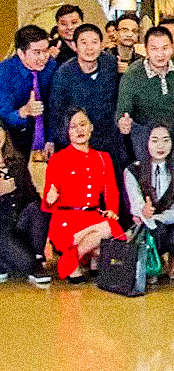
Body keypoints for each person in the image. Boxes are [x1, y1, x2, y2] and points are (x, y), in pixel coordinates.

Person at [42, 109, 122, 281]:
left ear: (91, 127)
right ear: (67, 132)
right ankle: (84, 256)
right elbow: (47, 203)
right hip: (66, 218)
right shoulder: (58, 159)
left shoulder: (103, 158)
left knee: (111, 226)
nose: (79, 130)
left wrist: (112, 210)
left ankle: (71, 258)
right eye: (73, 127)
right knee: (101, 236)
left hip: (92, 216)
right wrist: (50, 199)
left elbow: (111, 190)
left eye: (83, 124)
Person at [116, 26, 174, 166]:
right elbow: (123, 108)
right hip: (146, 135)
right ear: (146, 49)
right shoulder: (133, 73)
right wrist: (122, 121)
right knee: (148, 175)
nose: (160, 54)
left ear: (172, 47)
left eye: (165, 48)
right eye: (154, 49)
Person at [123, 125, 174, 281]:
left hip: (169, 221)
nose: (160, 146)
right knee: (153, 230)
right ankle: (152, 262)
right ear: (146, 143)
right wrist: (143, 211)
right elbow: (136, 204)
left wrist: (155, 218)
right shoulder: (133, 170)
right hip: (147, 225)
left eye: (166, 140)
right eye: (154, 141)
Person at [49, 23, 119, 158]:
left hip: (109, 139)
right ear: (75, 46)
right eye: (83, 43)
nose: (89, 48)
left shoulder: (110, 63)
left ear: (101, 45)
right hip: (79, 142)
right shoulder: (63, 74)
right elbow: (56, 112)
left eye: (94, 42)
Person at [0, 125, 52, 284]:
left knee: (38, 207)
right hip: (1, 229)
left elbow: (32, 197)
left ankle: (37, 258)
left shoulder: (17, 162)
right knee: (25, 263)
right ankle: (11, 261)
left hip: (18, 223)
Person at [0, 25, 57, 159]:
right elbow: (4, 116)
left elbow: (55, 106)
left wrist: (51, 139)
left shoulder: (51, 66)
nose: (43, 57)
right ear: (21, 53)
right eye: (37, 52)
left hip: (48, 139)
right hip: (14, 142)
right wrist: (24, 111)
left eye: (46, 51)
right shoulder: (4, 73)